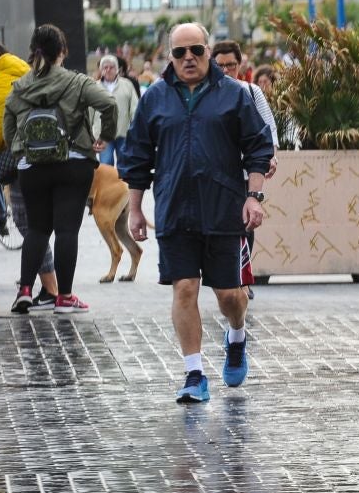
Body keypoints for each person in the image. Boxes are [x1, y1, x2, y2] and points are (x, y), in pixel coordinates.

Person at [118, 23, 273, 404]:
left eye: (196, 51)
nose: (188, 58)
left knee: (229, 295)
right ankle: (194, 373)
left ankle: (236, 335)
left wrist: (253, 197)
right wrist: (136, 210)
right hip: (175, 209)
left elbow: (258, 147)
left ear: (208, 51)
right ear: (168, 56)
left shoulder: (235, 95)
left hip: (223, 209)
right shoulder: (155, 98)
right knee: (184, 288)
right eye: (179, 52)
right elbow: (137, 157)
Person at [0, 24, 117, 314]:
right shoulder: (77, 83)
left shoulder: (20, 87)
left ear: (33, 52)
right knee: (67, 230)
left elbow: (7, 126)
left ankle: (24, 291)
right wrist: (106, 136)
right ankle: (64, 297)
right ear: (62, 52)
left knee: (37, 229)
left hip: (32, 167)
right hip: (73, 164)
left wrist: (20, 151)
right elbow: (109, 105)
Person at [0, 39, 60, 309]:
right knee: (34, 226)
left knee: (29, 225)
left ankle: (51, 289)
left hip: (24, 160)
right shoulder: (23, 69)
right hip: (45, 154)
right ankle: (49, 289)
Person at [212, 41, 278, 300]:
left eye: (231, 65)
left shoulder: (250, 91)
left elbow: (268, 127)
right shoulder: (208, 95)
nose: (227, 70)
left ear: (240, 66)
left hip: (244, 172)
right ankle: (223, 276)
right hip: (215, 173)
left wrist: (271, 157)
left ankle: (242, 279)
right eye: (221, 66)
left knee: (245, 227)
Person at [96, 55, 139, 167]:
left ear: (117, 70)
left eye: (111, 67)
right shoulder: (94, 87)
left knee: (125, 166)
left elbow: (135, 109)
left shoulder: (127, 85)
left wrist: (136, 130)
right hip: (103, 135)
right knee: (105, 166)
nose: (108, 70)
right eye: (105, 67)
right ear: (101, 70)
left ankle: (123, 185)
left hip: (124, 133)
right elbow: (89, 112)